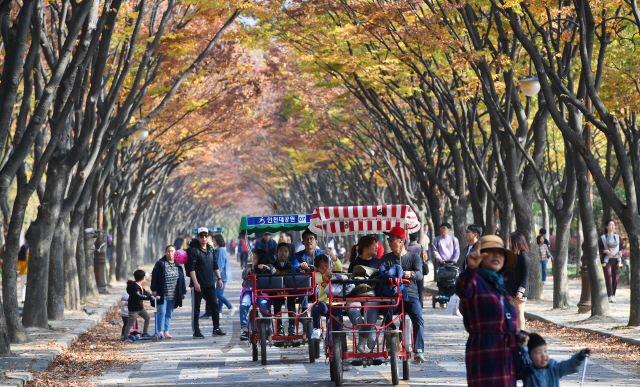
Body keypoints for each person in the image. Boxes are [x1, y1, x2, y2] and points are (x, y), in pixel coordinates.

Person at [455, 235, 525, 387]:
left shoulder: (501, 287)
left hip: (506, 356)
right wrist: (470, 269)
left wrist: (518, 336)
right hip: (485, 353)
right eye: (490, 251)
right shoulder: (474, 281)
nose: (496, 255)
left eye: (500, 253)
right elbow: (461, 289)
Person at [380, 226, 425, 364]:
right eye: (388, 239)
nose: (388, 241)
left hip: (410, 295)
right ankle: (394, 336)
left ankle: (418, 351)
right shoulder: (385, 258)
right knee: (385, 312)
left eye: (391, 239)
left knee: (418, 318)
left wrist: (409, 273)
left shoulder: (414, 257)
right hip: (391, 295)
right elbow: (381, 276)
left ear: (401, 240)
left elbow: (419, 274)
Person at [187, 227, 225, 338]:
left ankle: (216, 328)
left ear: (209, 237)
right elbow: (191, 268)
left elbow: (215, 265)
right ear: (198, 237)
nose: (204, 237)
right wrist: (195, 283)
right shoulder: (194, 250)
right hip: (198, 285)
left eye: (206, 235)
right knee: (196, 309)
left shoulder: (211, 248)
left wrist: (219, 278)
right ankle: (196, 331)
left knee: (215, 305)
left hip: (210, 284)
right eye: (201, 236)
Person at [346, 235, 380, 353]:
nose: (377, 246)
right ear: (366, 247)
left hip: (372, 295)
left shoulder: (379, 262)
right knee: (351, 308)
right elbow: (350, 283)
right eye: (374, 244)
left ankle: (365, 336)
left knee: (373, 306)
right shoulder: (354, 263)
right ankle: (366, 336)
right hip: (356, 294)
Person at [522, 333, 590, 387]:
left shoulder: (554, 368)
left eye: (545, 351)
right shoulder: (528, 371)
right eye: (538, 352)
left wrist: (580, 357)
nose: (543, 355)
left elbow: (569, 365)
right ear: (528, 355)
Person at [150, 245, 187, 338]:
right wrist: (153, 289)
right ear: (165, 252)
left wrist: (183, 291)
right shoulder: (160, 264)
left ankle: (166, 331)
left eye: (172, 251)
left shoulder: (178, 265)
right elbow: (154, 277)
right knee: (161, 311)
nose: (170, 253)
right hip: (162, 293)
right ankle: (160, 331)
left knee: (169, 313)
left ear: (175, 253)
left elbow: (182, 279)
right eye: (168, 251)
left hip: (173, 294)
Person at [239, 249, 275, 340]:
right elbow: (243, 275)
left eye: (255, 258)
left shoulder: (268, 266)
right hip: (249, 291)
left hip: (262, 292)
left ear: (261, 258)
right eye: (252, 258)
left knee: (264, 306)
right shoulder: (249, 266)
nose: (252, 260)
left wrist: (266, 267)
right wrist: (247, 272)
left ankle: (268, 327)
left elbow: (273, 271)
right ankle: (245, 330)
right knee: (243, 305)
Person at [272, 243, 301, 336]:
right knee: (277, 301)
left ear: (288, 254)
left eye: (286, 251)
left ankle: (291, 327)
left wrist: (287, 290)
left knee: (291, 301)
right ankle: (279, 327)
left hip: (289, 291)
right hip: (276, 291)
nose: (283, 253)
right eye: (281, 251)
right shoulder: (272, 266)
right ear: (277, 252)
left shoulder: (291, 266)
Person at [504, 233, 530, 331]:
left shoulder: (524, 256)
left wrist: (521, 290)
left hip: (519, 289)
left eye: (511, 240)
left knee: (519, 313)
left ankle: (520, 334)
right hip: (509, 288)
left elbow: (525, 275)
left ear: (516, 242)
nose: (510, 242)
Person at [122, 270, 153, 342]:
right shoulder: (134, 287)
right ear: (143, 277)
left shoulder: (139, 285)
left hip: (139, 307)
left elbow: (144, 292)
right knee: (131, 322)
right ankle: (125, 337)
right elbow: (139, 296)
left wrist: (152, 296)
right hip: (134, 308)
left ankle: (145, 333)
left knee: (147, 318)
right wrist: (148, 298)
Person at [214, 234, 237, 317]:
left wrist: (218, 277)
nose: (213, 242)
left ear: (217, 241)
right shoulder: (220, 250)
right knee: (220, 294)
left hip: (222, 276)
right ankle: (219, 312)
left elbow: (219, 265)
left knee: (218, 294)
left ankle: (230, 307)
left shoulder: (220, 251)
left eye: (214, 240)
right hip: (222, 276)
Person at [599, 219, 622, 303]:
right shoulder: (602, 238)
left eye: (614, 225)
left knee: (615, 278)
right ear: (606, 226)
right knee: (608, 277)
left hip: (616, 260)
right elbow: (599, 249)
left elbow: (622, 247)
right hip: (607, 260)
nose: (613, 226)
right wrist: (605, 251)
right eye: (611, 225)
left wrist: (621, 251)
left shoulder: (618, 237)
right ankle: (610, 295)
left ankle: (613, 294)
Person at [407, 232, 427, 307]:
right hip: (419, 270)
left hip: (409, 271)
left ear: (409, 238)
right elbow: (425, 258)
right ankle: (420, 305)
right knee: (420, 289)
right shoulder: (421, 247)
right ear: (417, 238)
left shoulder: (407, 248)